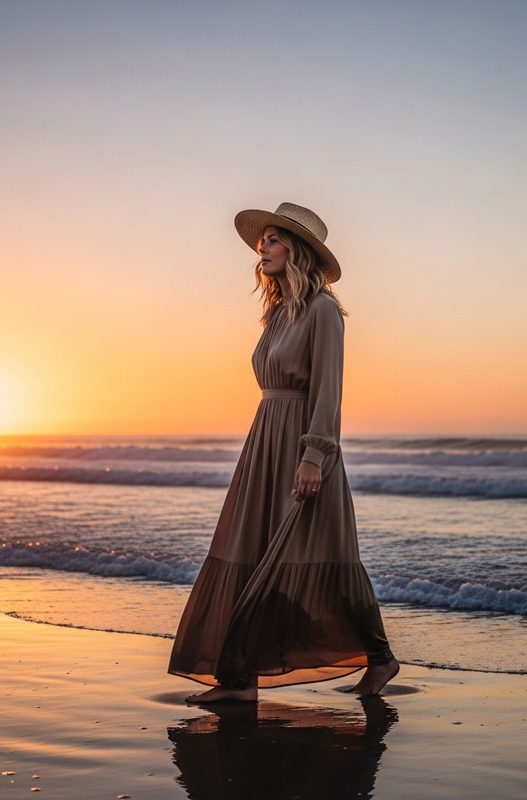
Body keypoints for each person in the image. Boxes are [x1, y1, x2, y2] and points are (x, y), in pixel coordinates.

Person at [168, 202, 399, 702]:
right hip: (265, 442)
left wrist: (315, 455)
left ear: (297, 251)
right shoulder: (276, 313)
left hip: (301, 444)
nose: (262, 248)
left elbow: (327, 391)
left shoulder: (324, 311)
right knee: (248, 550)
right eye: (262, 240)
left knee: (322, 556)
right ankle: (240, 680)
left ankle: (380, 659)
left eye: (273, 240)